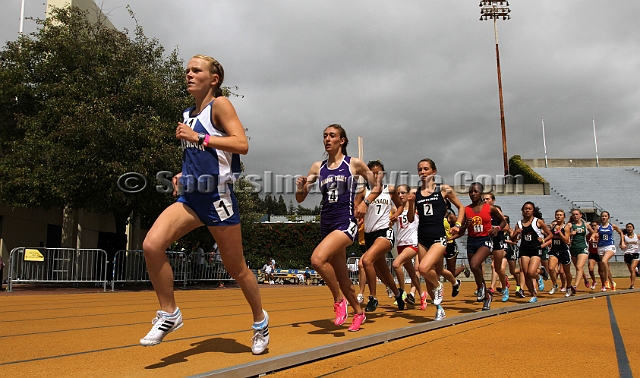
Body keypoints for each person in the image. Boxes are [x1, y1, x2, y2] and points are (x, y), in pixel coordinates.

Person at [139, 55, 269, 354]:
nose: (188, 74)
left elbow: (241, 145)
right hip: (191, 197)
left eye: (196, 70)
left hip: (217, 198)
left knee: (237, 269)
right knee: (151, 245)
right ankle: (169, 314)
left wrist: (199, 136)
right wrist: (182, 173)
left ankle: (260, 321)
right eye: (187, 70)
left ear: (213, 79)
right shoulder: (187, 113)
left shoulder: (219, 105)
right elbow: (198, 156)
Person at [296, 124, 381, 332]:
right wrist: (300, 187)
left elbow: (377, 186)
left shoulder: (353, 164)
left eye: (332, 136)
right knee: (343, 277)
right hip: (327, 223)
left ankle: (338, 300)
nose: (327, 139)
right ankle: (359, 312)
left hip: (346, 222)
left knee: (317, 260)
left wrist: (364, 203)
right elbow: (300, 199)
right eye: (324, 136)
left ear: (342, 141)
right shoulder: (318, 167)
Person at [406, 158, 465, 321]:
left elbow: (461, 207)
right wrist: (411, 203)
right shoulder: (416, 193)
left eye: (426, 169)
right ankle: (439, 308)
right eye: (420, 170)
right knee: (435, 272)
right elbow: (411, 219)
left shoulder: (443, 190)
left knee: (423, 269)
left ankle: (439, 287)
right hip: (422, 237)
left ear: (434, 171)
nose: (423, 172)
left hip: (439, 237)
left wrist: (458, 225)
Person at [360, 161, 405, 312]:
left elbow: (400, 205)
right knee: (384, 272)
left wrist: (396, 215)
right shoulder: (362, 192)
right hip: (369, 235)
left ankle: (373, 297)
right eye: (372, 173)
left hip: (385, 232)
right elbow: (354, 209)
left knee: (366, 261)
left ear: (383, 174)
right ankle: (398, 293)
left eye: (378, 173)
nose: (376, 176)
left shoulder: (389, 190)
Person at [460, 183, 506, 310]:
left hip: (485, 240)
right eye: (470, 192)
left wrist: (497, 228)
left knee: (475, 264)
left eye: (475, 191)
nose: (473, 194)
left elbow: (503, 221)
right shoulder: (466, 210)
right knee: (476, 271)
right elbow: (462, 229)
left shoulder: (490, 208)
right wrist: (465, 225)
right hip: (471, 241)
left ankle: (480, 287)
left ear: (480, 193)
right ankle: (487, 296)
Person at [391, 184, 428, 310]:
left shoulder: (415, 209)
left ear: (408, 194)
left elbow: (414, 219)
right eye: (398, 193)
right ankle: (422, 294)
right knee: (412, 274)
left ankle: (402, 292)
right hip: (400, 244)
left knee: (396, 264)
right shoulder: (396, 209)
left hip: (412, 244)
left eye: (402, 193)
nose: (400, 195)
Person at [511, 202, 552, 303]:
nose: (527, 210)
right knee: (526, 274)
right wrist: (516, 233)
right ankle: (533, 294)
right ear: (522, 211)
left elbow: (550, 234)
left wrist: (543, 241)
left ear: (533, 210)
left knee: (531, 272)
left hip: (535, 248)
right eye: (525, 208)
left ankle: (541, 273)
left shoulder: (538, 222)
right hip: (524, 249)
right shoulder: (519, 224)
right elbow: (513, 239)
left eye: (529, 208)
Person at [482, 193, 510, 302]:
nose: (485, 200)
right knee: (478, 263)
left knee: (498, 268)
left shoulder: (496, 211)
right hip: (486, 242)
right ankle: (483, 289)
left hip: (498, 242)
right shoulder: (481, 212)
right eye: (483, 199)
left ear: (493, 200)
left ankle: (504, 287)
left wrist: (496, 228)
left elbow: (506, 227)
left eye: (487, 199)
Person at [591, 211, 624, 291]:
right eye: (602, 216)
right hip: (601, 247)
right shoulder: (598, 227)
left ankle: (606, 281)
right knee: (606, 267)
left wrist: (622, 242)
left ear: (608, 217)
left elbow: (620, 232)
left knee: (604, 261)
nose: (604, 217)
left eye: (605, 216)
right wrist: (592, 237)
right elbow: (594, 233)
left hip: (610, 246)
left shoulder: (612, 226)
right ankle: (612, 282)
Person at [547, 210, 573, 297]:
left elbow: (566, 240)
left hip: (563, 251)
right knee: (551, 268)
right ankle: (555, 285)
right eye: (557, 215)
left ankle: (569, 287)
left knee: (567, 272)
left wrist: (559, 232)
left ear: (564, 217)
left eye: (560, 215)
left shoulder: (566, 227)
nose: (558, 216)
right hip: (554, 250)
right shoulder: (553, 226)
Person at [566, 209, 593, 293]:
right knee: (578, 267)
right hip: (573, 248)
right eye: (574, 214)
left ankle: (575, 286)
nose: (575, 216)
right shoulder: (569, 225)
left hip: (583, 247)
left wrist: (592, 237)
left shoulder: (585, 225)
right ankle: (585, 278)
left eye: (577, 214)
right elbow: (565, 236)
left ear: (581, 215)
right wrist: (571, 234)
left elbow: (593, 232)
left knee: (579, 267)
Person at [587, 221, 606, 290]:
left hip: (599, 253)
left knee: (601, 271)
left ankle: (603, 284)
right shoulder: (588, 235)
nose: (593, 227)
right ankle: (594, 281)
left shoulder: (600, 235)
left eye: (595, 225)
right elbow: (586, 243)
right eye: (592, 225)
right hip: (592, 254)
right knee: (590, 269)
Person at [622, 223, 638, 289]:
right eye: (627, 227)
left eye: (630, 227)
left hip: (635, 254)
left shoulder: (637, 236)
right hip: (627, 254)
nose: (629, 228)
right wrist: (622, 246)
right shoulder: (624, 237)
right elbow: (621, 245)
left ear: (633, 228)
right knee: (631, 271)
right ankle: (636, 271)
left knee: (632, 268)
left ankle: (632, 284)